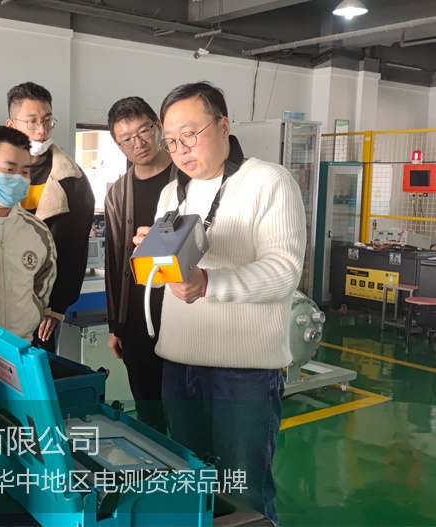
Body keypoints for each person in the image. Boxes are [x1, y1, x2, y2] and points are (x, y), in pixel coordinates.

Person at [134, 81, 305, 523]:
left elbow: (284, 271)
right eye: (171, 141)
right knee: (191, 488)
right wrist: (155, 257)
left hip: (242, 373)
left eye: (190, 135)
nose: (180, 150)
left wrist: (209, 282)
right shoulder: (173, 193)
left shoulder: (269, 182)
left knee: (244, 495)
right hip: (179, 364)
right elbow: (173, 273)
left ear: (224, 125)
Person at [5, 81, 95, 352]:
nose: (42, 131)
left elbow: (75, 251)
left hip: (43, 307)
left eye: (47, 121)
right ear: (11, 126)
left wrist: (58, 306)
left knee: (37, 371)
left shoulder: (73, 181)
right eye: (32, 121)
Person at [104, 96, 173, 434]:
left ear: (157, 127)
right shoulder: (118, 193)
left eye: (144, 131)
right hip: (137, 320)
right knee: (149, 411)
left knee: (186, 413)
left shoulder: (188, 178)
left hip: (183, 311)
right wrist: (116, 325)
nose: (138, 143)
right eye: (126, 139)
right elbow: (114, 261)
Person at [0, 126, 57, 342]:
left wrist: (32, 315)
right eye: (9, 170)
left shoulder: (37, 231)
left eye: (25, 172)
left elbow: (43, 283)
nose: (19, 178)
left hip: (21, 344)